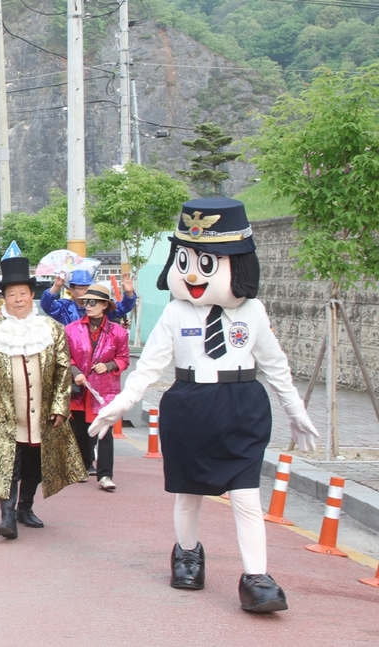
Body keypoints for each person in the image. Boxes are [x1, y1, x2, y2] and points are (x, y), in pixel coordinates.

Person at [90, 198, 319, 613]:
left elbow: (276, 364)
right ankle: (187, 554)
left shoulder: (253, 311)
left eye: (208, 263)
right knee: (188, 493)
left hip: (242, 404)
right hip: (188, 404)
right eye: (185, 260)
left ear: (240, 265)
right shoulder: (176, 313)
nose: (193, 274)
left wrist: (296, 411)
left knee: (246, 495)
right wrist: (120, 402)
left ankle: (256, 577)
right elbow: (150, 367)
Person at [0, 256, 85, 539]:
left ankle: (25, 507)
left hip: (41, 413)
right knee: (9, 463)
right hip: (5, 412)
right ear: (3, 298)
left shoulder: (52, 329)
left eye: (23, 293)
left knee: (36, 464)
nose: (18, 299)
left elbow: (61, 370)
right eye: (11, 294)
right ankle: (7, 516)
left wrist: (59, 406)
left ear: (32, 295)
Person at [64, 283, 130, 490]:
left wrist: (109, 365)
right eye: (85, 302)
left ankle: (105, 475)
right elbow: (65, 358)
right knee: (82, 430)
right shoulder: (71, 329)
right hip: (80, 389)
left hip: (105, 391)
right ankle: (83, 466)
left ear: (104, 305)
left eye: (92, 302)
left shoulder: (118, 332)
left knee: (106, 431)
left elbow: (124, 359)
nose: (87, 305)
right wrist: (76, 374)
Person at [40, 269, 137, 325]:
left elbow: (123, 307)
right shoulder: (65, 307)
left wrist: (129, 292)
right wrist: (56, 286)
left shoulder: (101, 304)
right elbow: (47, 305)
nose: (86, 291)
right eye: (82, 288)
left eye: (88, 287)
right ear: (72, 291)